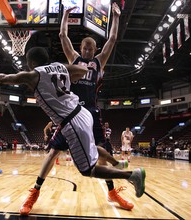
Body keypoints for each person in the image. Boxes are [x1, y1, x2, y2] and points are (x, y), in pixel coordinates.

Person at [0, 47, 146, 215]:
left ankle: (131, 175)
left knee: (89, 170)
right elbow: (83, 69)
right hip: (81, 113)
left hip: (72, 122)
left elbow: (5, 78)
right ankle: (36, 192)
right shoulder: (60, 66)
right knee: (60, 151)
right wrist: (72, 77)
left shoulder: (33, 74)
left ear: (31, 63)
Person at [20, 2, 134, 214]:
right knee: (53, 151)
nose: (87, 50)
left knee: (103, 152)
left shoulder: (100, 61)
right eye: (84, 47)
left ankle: (112, 192)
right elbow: (63, 37)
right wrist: (64, 15)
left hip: (91, 112)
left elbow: (112, 39)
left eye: (90, 48)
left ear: (95, 50)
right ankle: (33, 193)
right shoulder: (74, 59)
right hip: (71, 113)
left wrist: (116, 18)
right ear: (80, 49)